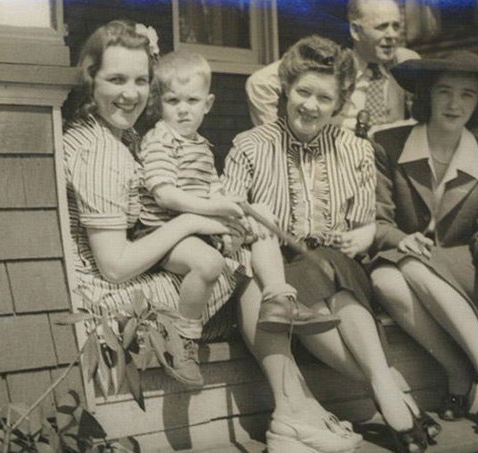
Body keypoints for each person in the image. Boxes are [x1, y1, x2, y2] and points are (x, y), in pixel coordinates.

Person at [63, 21, 362, 453]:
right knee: (245, 272)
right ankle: (293, 414)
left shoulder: (119, 135)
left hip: (143, 274)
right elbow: (114, 267)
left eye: (140, 80)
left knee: (253, 262)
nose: (131, 93)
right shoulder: (101, 152)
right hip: (111, 301)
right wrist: (194, 223)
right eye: (116, 79)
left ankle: (297, 409)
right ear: (91, 78)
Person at [225, 35, 439, 453]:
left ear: (339, 104)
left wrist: (364, 234)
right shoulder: (249, 146)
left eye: (324, 98)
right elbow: (229, 218)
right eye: (303, 91)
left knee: (327, 269)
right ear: (285, 88)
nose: (310, 105)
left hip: (334, 266)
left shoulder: (355, 151)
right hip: (272, 264)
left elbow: (366, 226)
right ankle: (390, 389)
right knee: (301, 281)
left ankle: (384, 387)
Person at [134, 50, 340, 384]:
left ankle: (278, 297)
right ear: (160, 103)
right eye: (173, 101)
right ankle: (181, 338)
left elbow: (215, 191)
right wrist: (218, 210)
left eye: (192, 100)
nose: (183, 109)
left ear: (208, 104)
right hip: (161, 232)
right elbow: (164, 194)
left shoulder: (199, 144)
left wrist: (240, 212)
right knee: (208, 264)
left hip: (195, 229)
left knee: (261, 214)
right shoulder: (160, 139)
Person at [369, 51, 478, 436]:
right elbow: (378, 221)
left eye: (467, 94)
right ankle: (461, 371)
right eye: (444, 91)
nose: (455, 104)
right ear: (426, 95)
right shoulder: (387, 144)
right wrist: (404, 240)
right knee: (384, 279)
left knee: (410, 265)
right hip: (401, 257)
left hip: (460, 268)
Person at [246, 0, 419, 132]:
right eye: (382, 27)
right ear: (356, 31)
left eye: (396, 26)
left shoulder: (405, 63)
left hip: (387, 170)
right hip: (338, 165)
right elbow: (259, 84)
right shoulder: (334, 62)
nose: (392, 35)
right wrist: (273, 141)